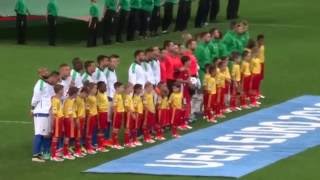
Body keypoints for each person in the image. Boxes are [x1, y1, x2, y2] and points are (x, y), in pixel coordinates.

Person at [31, 69, 58, 162]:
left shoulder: (48, 85)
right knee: (39, 134)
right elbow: (35, 98)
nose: (46, 72)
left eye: (47, 71)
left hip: (47, 113)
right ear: (40, 75)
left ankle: (42, 153)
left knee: (46, 134)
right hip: (41, 112)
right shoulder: (40, 84)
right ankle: (35, 155)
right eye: (44, 72)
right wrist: (32, 108)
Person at [176, 56, 193, 130]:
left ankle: (185, 121)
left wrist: (191, 84)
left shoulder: (188, 70)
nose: (190, 62)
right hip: (182, 90)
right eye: (189, 61)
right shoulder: (182, 70)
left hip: (187, 89)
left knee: (187, 105)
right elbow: (178, 80)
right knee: (184, 105)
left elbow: (188, 79)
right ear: (185, 62)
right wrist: (187, 82)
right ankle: (180, 123)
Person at [62, 86, 78, 160]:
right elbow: (69, 112)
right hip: (68, 119)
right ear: (74, 93)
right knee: (67, 137)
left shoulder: (70, 100)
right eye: (76, 93)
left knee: (67, 137)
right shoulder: (69, 101)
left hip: (68, 119)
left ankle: (66, 151)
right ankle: (65, 153)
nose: (77, 95)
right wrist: (73, 122)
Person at [50, 84, 65, 162]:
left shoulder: (59, 99)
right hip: (57, 119)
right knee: (55, 137)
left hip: (60, 119)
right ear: (59, 91)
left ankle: (56, 153)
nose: (63, 91)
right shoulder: (55, 100)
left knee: (58, 136)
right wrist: (53, 124)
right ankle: (53, 155)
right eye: (62, 90)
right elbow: (54, 113)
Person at [74, 86, 89, 157]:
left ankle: (78, 149)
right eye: (86, 94)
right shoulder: (77, 99)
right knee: (78, 135)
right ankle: (77, 151)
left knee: (80, 135)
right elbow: (75, 110)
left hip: (82, 118)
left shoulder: (82, 99)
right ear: (83, 92)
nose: (86, 96)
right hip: (79, 119)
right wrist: (76, 119)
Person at [96, 82, 110, 152]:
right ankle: (99, 146)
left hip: (105, 113)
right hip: (101, 113)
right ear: (99, 87)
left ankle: (101, 144)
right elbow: (97, 106)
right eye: (104, 86)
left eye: (105, 86)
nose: (105, 88)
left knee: (103, 129)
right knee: (100, 129)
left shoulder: (104, 93)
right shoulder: (98, 94)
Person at [85, 83, 98, 154]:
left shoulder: (94, 96)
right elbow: (87, 107)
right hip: (90, 116)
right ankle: (88, 147)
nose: (96, 90)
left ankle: (90, 145)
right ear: (90, 89)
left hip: (94, 115)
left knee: (92, 131)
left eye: (96, 88)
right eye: (95, 88)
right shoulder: (88, 97)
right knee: (89, 132)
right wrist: (89, 115)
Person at [111, 82, 125, 149]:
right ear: (117, 88)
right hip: (117, 114)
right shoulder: (116, 95)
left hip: (120, 113)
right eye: (122, 87)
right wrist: (115, 114)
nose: (123, 89)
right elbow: (114, 106)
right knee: (115, 129)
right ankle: (114, 143)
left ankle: (116, 142)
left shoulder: (119, 95)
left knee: (118, 129)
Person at [257, 34, 265, 98]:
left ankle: (258, 92)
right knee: (257, 79)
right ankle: (255, 93)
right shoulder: (256, 47)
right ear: (258, 40)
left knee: (261, 79)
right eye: (261, 40)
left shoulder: (262, 46)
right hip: (257, 64)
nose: (262, 41)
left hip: (262, 63)